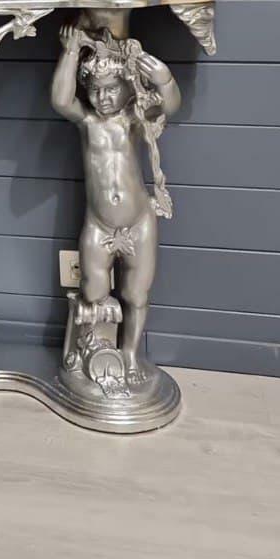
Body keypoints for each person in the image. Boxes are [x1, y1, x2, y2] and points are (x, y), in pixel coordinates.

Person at [51, 23, 180, 383]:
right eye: (95, 90)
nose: (103, 97)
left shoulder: (133, 120)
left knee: (136, 294)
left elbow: (169, 107)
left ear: (126, 87)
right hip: (100, 225)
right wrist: (71, 52)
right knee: (93, 291)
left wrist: (165, 80)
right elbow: (61, 100)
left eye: (111, 89)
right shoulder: (87, 122)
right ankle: (91, 344)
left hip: (138, 222)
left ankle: (129, 354)